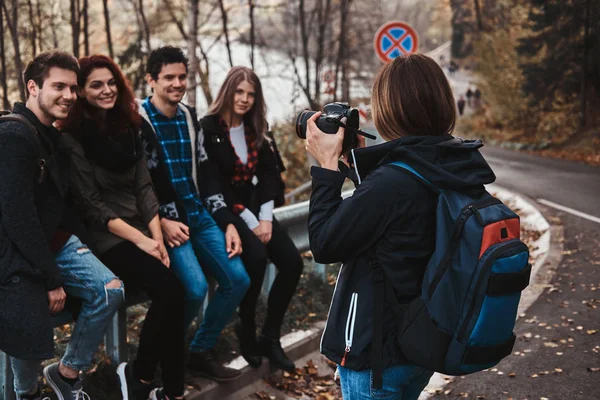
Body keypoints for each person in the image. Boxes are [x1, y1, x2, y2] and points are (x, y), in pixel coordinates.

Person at [305, 53, 495, 399]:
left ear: (390, 110)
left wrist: (327, 167)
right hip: (420, 342)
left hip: (377, 355)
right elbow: (395, 225)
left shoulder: (392, 183)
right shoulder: (450, 164)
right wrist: (358, 169)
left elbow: (323, 243)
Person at [59, 54, 186, 400]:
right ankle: (138, 375)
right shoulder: (72, 137)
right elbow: (90, 205)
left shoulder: (130, 127)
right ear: (82, 92)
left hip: (143, 231)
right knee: (172, 293)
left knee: (176, 295)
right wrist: (143, 243)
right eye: (96, 85)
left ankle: (173, 391)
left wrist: (156, 239)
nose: (106, 90)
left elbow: (145, 188)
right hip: (107, 236)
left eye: (111, 82)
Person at [0, 50, 124, 400]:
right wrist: (51, 278)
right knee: (26, 325)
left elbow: (60, 206)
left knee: (110, 290)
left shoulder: (49, 135)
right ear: (33, 87)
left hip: (49, 241)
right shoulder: (14, 136)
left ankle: (66, 374)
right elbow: (17, 216)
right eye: (59, 87)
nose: (69, 96)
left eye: (73, 88)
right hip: (16, 253)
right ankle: (28, 394)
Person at [137, 46, 250, 382]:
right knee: (195, 288)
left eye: (182, 77)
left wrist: (227, 222)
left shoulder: (190, 118)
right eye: (168, 77)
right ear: (151, 80)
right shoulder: (138, 123)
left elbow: (207, 174)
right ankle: (165, 354)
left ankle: (199, 351)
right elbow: (136, 184)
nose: (177, 83)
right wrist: (160, 221)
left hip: (199, 215)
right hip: (167, 221)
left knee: (237, 280)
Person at [200, 67, 304, 372]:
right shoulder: (207, 128)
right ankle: (245, 328)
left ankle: (270, 336)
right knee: (256, 258)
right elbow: (213, 184)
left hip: (259, 211)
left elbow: (271, 174)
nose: (244, 99)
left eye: (250, 94)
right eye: (239, 92)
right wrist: (249, 219)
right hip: (228, 212)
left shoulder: (258, 127)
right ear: (228, 91)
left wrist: (266, 219)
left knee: (292, 263)